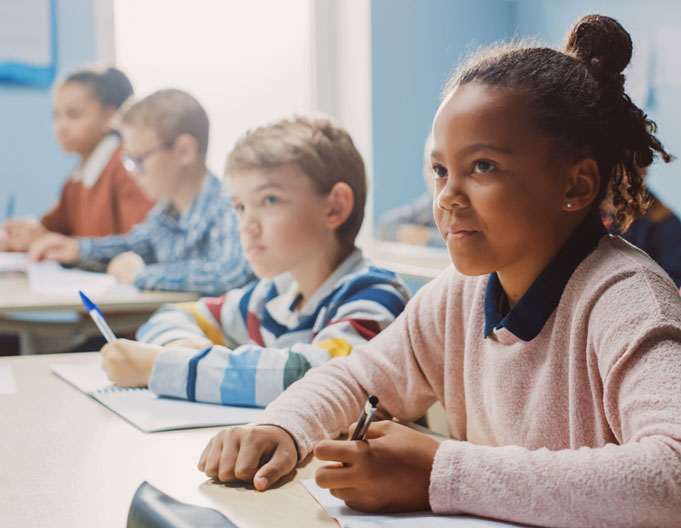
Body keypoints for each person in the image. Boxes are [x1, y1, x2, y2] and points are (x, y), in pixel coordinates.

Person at [197, 15, 681, 528]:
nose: (447, 197)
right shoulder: (459, 295)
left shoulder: (625, 298)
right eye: (439, 170)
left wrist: (442, 473)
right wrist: (284, 427)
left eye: (482, 167)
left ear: (576, 185)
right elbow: (357, 378)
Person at [98, 116, 410, 407]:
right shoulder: (271, 296)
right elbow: (170, 316)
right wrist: (183, 345)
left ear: (335, 208)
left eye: (269, 200)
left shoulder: (376, 296)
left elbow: (317, 379)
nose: (247, 225)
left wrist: (163, 366)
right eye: (240, 207)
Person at [28, 89, 254, 296]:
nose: (132, 172)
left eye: (138, 160)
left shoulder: (228, 205)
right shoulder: (167, 209)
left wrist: (141, 276)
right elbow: (137, 244)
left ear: (184, 151)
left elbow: (228, 273)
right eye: (128, 160)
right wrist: (78, 249)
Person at [2, 65, 153, 250]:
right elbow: (53, 229)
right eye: (56, 115)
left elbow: (139, 245)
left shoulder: (127, 168)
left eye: (73, 115)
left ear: (110, 117)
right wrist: (22, 234)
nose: (61, 126)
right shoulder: (77, 177)